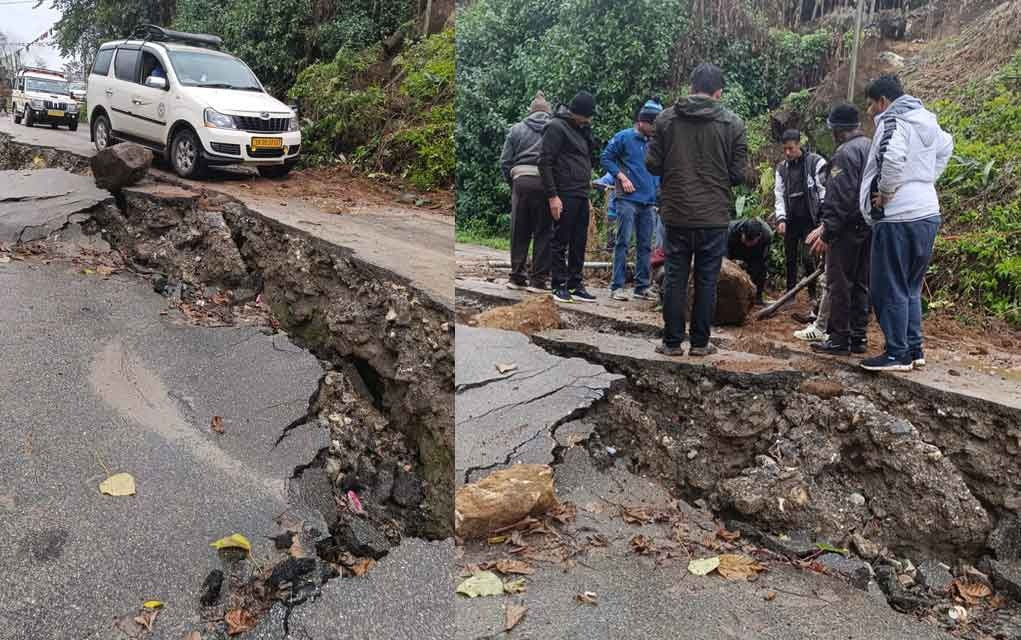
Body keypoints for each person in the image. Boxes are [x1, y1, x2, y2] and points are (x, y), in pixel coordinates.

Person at [647, 63, 748, 356]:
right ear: (718, 92)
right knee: (707, 280)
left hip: (677, 213)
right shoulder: (733, 123)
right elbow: (738, 174)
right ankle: (701, 344)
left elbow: (652, 164)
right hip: (714, 217)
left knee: (676, 276)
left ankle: (671, 342)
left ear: (691, 88)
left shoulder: (666, 120)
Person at [858, 74, 953, 371]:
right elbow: (946, 147)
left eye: (872, 105)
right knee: (910, 285)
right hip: (927, 212)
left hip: (899, 216)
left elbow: (892, 155)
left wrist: (886, 194)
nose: (871, 111)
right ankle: (914, 349)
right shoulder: (928, 120)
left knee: (889, 286)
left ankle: (897, 353)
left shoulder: (893, 121)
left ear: (883, 101)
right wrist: (925, 180)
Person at [805, 102, 873, 355]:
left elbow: (840, 196)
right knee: (861, 282)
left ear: (838, 130)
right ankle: (858, 337)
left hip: (846, 229)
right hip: (867, 225)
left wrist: (828, 231)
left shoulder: (845, 153)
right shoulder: (870, 146)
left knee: (839, 283)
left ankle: (839, 338)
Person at [540, 90, 598, 304]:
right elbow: (545, 162)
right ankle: (558, 284)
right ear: (580, 112)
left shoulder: (580, 130)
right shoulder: (556, 127)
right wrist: (553, 196)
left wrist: (588, 132)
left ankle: (575, 283)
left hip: (581, 191)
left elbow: (590, 154)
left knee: (579, 241)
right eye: (588, 115)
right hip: (564, 191)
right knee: (560, 239)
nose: (590, 119)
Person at [602, 98, 663, 301]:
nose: (654, 129)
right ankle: (617, 286)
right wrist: (621, 176)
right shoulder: (623, 137)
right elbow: (606, 158)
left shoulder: (655, 143)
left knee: (646, 245)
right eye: (651, 124)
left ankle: (641, 286)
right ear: (641, 122)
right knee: (623, 242)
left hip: (649, 201)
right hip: (627, 199)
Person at [499, 91, 554, 293]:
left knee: (519, 231)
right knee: (543, 232)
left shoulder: (516, 129)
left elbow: (505, 162)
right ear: (548, 112)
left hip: (520, 181)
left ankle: (516, 277)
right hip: (545, 182)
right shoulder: (554, 130)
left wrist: (513, 183)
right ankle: (538, 280)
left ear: (530, 112)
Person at [774, 129, 827, 300]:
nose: (787, 152)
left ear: (799, 144)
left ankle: (813, 294)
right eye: (785, 149)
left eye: (791, 148)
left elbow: (824, 191)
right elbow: (779, 195)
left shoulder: (815, 162)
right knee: (790, 257)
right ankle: (790, 294)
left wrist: (824, 219)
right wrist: (781, 218)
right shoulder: (782, 169)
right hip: (791, 220)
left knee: (808, 257)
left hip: (810, 219)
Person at [727, 218, 772, 306]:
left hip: (754, 253)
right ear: (742, 231)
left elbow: (761, 260)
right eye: (746, 239)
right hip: (734, 249)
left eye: (751, 241)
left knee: (760, 268)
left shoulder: (766, 235)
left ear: (759, 236)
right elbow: (724, 258)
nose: (747, 243)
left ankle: (757, 297)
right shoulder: (731, 230)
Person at [593, 173, 617, 251]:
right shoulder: (616, 169)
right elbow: (604, 181)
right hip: (614, 214)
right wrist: (594, 183)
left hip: (632, 213)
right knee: (611, 245)